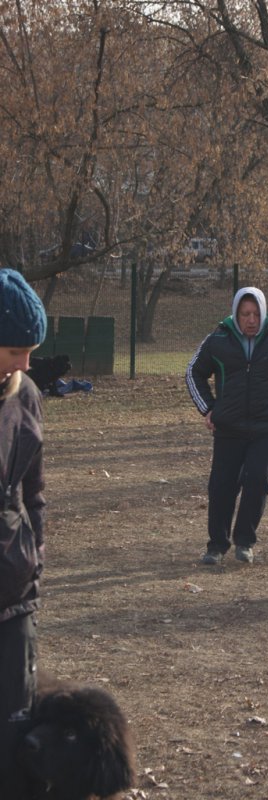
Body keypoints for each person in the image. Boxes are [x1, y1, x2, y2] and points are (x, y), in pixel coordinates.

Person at [186, 287, 268, 565]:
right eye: (245, 314)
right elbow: (193, 372)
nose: (251, 320)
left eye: (256, 313)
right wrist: (208, 408)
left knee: (257, 478)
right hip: (228, 429)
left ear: (264, 313)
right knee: (221, 486)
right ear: (236, 314)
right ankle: (216, 546)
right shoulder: (217, 340)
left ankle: (244, 541)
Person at [0, 268, 47, 791]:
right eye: (16, 349)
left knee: (14, 733)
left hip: (14, 594)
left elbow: (34, 493)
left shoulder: (26, 396)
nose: (26, 363)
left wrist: (36, 561)